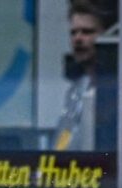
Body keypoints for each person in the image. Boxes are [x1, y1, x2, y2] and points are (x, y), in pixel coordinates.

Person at [52, 0, 107, 152]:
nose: (78, 39)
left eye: (87, 32)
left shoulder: (113, 91)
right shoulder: (76, 90)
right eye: (73, 33)